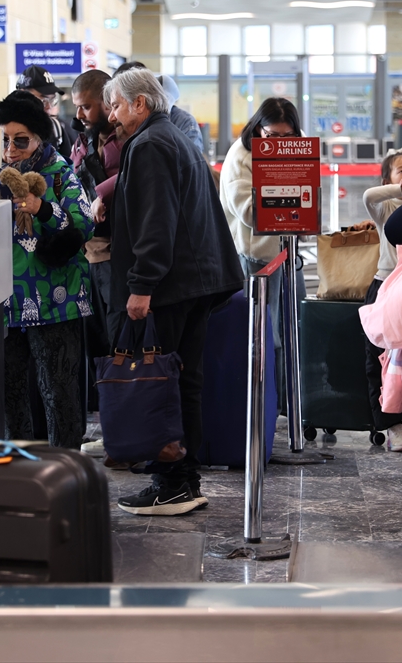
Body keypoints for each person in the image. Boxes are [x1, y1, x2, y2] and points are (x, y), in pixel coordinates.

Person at [107, 67, 243, 515]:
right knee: (182, 383)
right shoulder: (175, 137)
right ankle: (184, 481)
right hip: (193, 282)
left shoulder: (150, 144)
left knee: (160, 385)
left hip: (170, 286)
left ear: (140, 103)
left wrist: (142, 284)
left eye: (116, 105)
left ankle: (171, 484)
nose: (112, 115)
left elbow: (156, 221)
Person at [0, 90, 95, 449]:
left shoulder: (59, 174)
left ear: (39, 138)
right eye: (4, 139)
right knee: (8, 393)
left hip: (56, 299)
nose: (11, 149)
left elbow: (84, 224)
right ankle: (16, 467)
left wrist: (42, 208)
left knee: (58, 390)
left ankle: (66, 466)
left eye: (21, 140)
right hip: (3, 302)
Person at [220, 97, 305, 415]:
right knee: (266, 336)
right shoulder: (241, 156)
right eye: (273, 137)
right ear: (258, 129)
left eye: (288, 137)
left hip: (285, 253)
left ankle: (286, 405)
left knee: (291, 330)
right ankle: (266, 408)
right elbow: (249, 213)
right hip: (256, 259)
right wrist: (289, 201)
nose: (281, 144)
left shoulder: (295, 151)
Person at [69, 69, 122, 454]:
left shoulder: (128, 138)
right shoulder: (84, 140)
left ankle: (123, 429)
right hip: (90, 254)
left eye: (86, 107)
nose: (80, 114)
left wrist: (101, 192)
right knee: (100, 346)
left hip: (119, 255)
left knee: (119, 346)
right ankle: (111, 426)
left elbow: (134, 173)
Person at [361, 152, 402, 453]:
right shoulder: (386, 207)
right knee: (380, 360)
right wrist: (401, 189)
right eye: (401, 171)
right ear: (388, 180)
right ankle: (392, 426)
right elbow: (368, 196)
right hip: (384, 287)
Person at [114, 61, 204, 152]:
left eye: (117, 106)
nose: (112, 117)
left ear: (139, 102)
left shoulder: (184, 122)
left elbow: (191, 156)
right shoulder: (121, 126)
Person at [18, 65, 74, 160]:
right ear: (22, 95)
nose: (49, 107)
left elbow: (68, 165)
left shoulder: (56, 128)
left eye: (52, 100)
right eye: (43, 100)